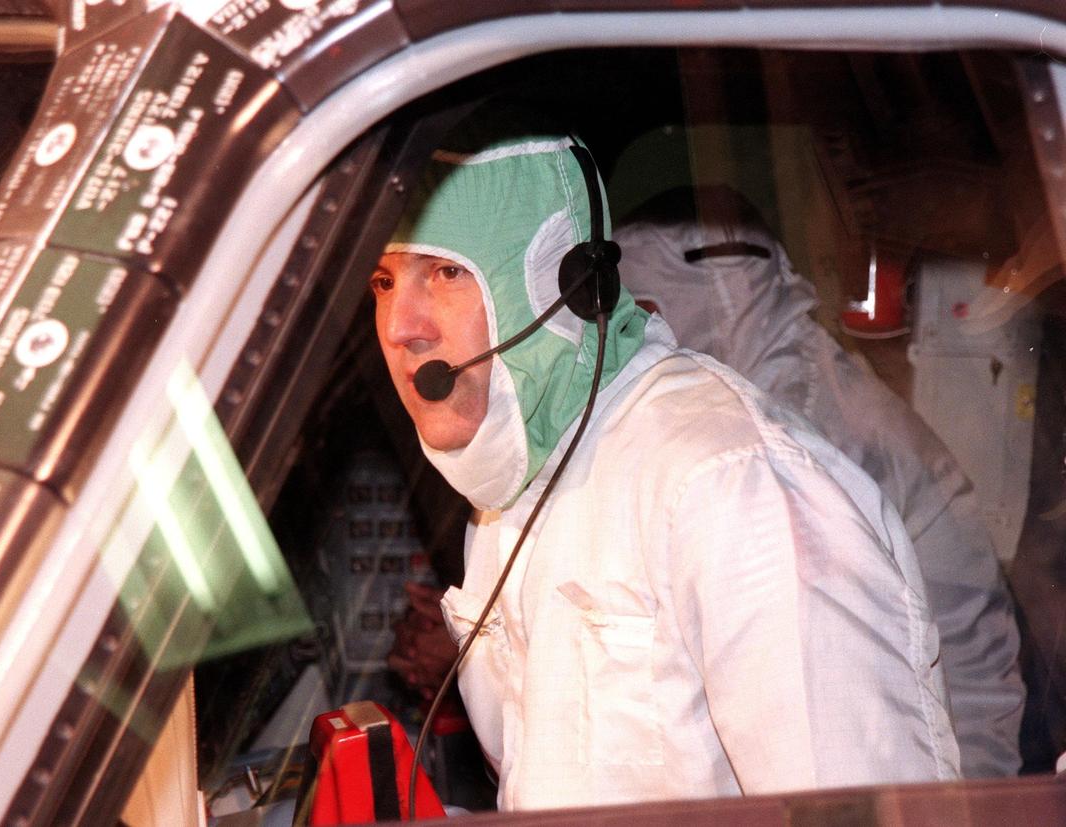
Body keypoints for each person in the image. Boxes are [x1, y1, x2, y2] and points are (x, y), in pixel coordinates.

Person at [371, 111, 959, 810]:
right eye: (382, 282)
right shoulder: (516, 496)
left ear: (558, 288)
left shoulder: (733, 486)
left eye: (444, 273)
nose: (402, 326)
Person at [611, 186, 1024, 778]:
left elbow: (817, 685)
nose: (639, 338)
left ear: (718, 296)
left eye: (649, 312)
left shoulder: (799, 440)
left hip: (940, 768)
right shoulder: (772, 398)